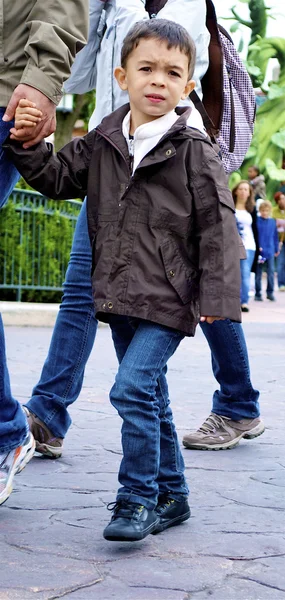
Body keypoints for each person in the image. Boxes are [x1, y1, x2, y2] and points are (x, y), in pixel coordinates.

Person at [6, 18, 242, 542]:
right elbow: (57, 178)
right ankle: (173, 495)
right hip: (117, 296)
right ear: (121, 75)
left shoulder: (194, 150)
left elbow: (219, 229)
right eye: (146, 69)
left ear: (188, 86)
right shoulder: (104, 140)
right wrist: (25, 145)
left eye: (172, 73)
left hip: (169, 298)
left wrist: (219, 299)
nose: (158, 81)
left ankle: (137, 498)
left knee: (131, 387)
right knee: (151, 395)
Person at [0, 0, 89, 505]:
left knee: (83, 297)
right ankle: (24, 423)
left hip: (9, 91)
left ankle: (11, 430)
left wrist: (43, 76)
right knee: (80, 296)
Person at [232, 180, 258, 313]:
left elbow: (256, 230)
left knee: (245, 273)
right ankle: (233, 300)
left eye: (246, 189)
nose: (243, 192)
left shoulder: (252, 209)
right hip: (231, 245)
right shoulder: (229, 206)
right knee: (232, 274)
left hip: (248, 246)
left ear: (249, 193)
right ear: (236, 191)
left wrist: (259, 249)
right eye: (241, 189)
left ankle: (244, 302)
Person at [255, 200, 279, 302]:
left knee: (271, 272)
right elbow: (256, 235)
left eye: (267, 211)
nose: (265, 212)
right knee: (258, 273)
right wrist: (258, 247)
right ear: (260, 211)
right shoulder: (257, 221)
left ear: (269, 211)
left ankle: (270, 293)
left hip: (270, 251)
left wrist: (276, 248)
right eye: (263, 210)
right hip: (260, 251)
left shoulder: (272, 221)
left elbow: (275, 236)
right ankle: (258, 293)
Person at [272, 192, 285, 291]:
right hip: (279, 241)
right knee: (280, 262)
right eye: (280, 199)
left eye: (284, 199)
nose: (283, 201)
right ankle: (281, 284)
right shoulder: (273, 211)